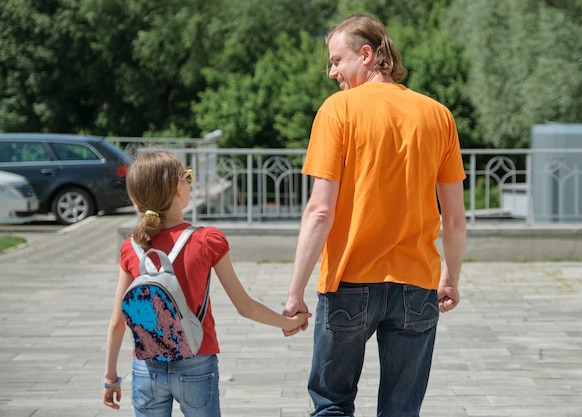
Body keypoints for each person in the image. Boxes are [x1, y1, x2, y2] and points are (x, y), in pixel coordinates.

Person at [282, 13, 467, 417]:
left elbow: (320, 210)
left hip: (349, 280)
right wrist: (449, 277)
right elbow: (454, 218)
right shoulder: (438, 115)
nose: (332, 72)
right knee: (402, 411)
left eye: (336, 60)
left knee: (332, 404)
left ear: (367, 55)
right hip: (418, 285)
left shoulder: (338, 111)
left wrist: (295, 292)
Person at [103, 150, 310, 416]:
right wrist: (290, 322)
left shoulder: (132, 247)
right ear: (179, 187)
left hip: (146, 366)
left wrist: (110, 378)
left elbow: (117, 322)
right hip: (197, 362)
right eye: (187, 176)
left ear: (135, 199)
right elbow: (244, 306)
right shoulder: (207, 240)